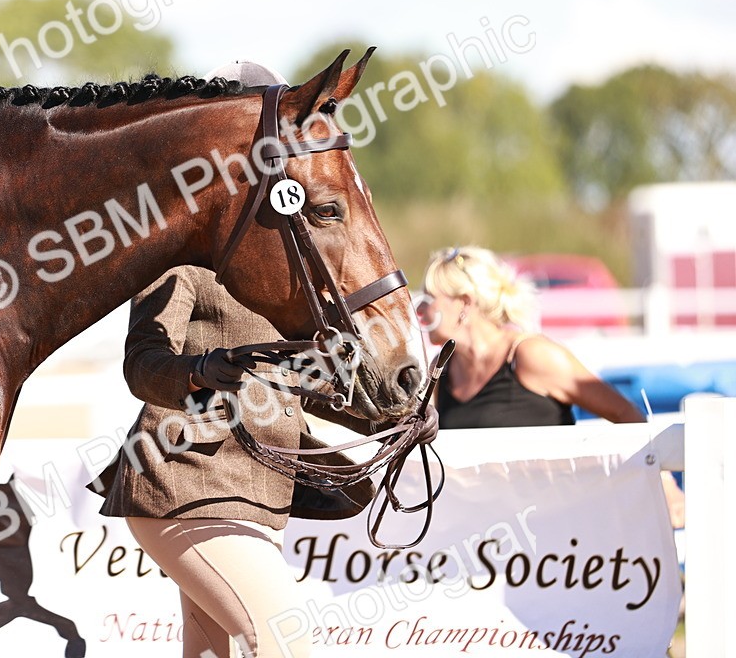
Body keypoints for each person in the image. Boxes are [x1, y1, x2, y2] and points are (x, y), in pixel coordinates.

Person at [89, 61, 436, 658]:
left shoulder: (291, 267)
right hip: (184, 483)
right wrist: (201, 372)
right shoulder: (183, 255)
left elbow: (310, 384)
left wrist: (396, 416)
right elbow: (142, 365)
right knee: (288, 641)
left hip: (260, 497)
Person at [417, 245, 685, 525]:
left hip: (555, 535)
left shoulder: (532, 355)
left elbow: (624, 413)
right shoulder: (441, 368)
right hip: (484, 539)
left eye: (430, 298)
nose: (421, 309)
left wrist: (664, 486)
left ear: (464, 303)